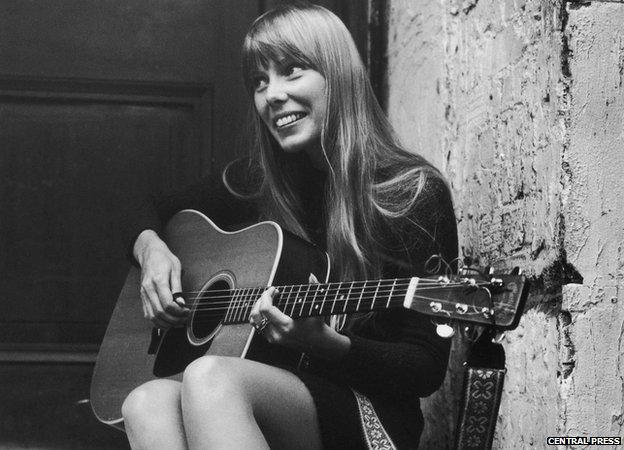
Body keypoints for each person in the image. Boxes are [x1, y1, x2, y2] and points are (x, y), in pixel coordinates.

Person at [120, 3, 458, 449]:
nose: (271, 94)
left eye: (291, 71)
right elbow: (139, 205)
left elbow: (425, 368)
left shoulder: (410, 192)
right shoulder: (257, 185)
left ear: (337, 75)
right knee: (143, 402)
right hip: (274, 395)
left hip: (369, 413)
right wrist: (151, 251)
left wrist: (326, 343)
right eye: (259, 81)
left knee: (209, 376)